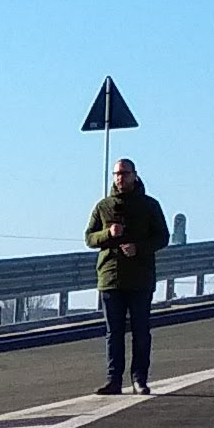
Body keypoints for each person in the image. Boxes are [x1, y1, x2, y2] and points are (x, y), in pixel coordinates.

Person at [88, 157, 170, 395]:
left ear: (135, 175)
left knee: (141, 331)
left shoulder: (149, 205)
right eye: (116, 174)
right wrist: (107, 234)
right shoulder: (103, 206)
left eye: (124, 173)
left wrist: (139, 248)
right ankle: (114, 380)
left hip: (140, 278)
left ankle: (139, 379)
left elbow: (162, 237)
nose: (119, 178)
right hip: (110, 278)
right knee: (113, 333)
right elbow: (89, 238)